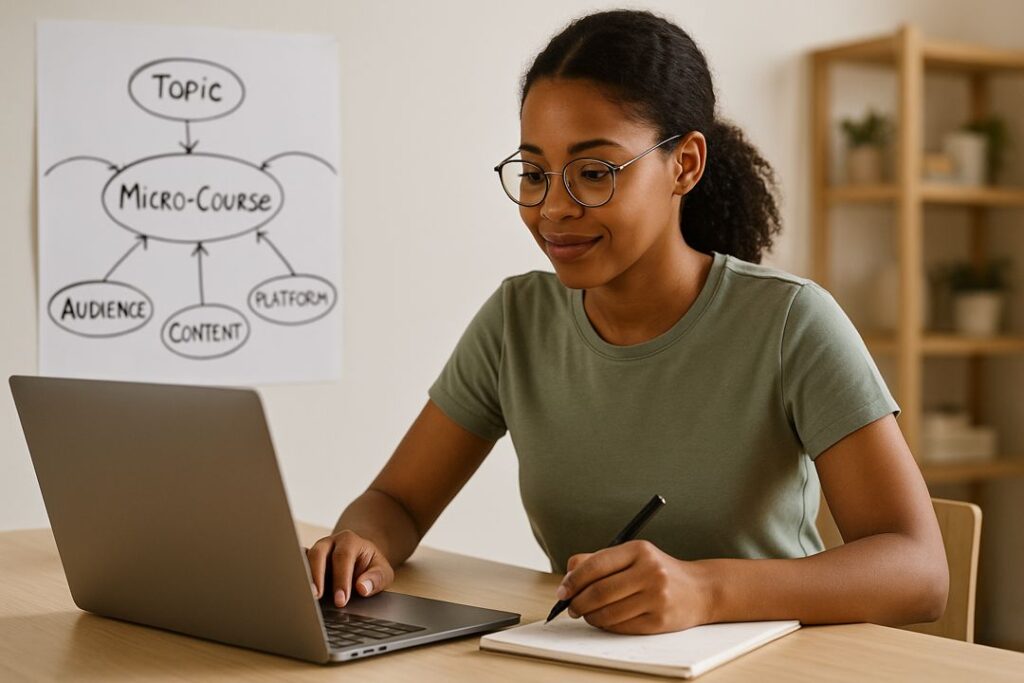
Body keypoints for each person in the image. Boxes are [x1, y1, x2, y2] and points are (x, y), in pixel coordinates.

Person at [307, 8, 948, 635]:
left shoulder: (788, 321)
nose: (554, 207)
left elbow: (919, 573)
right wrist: (360, 547)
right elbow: (398, 502)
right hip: (591, 660)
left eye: (594, 172)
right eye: (534, 173)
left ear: (685, 165)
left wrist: (706, 591)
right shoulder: (516, 320)